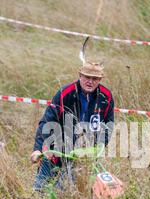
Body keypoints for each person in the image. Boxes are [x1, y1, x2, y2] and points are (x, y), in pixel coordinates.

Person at [30, 61, 114, 191]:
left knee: (65, 191)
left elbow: (108, 125)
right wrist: (37, 149)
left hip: (84, 155)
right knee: (40, 189)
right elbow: (47, 120)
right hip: (57, 148)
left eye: (95, 79)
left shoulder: (105, 97)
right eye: (87, 77)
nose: (90, 82)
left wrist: (97, 146)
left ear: (100, 79)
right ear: (80, 75)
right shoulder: (65, 93)